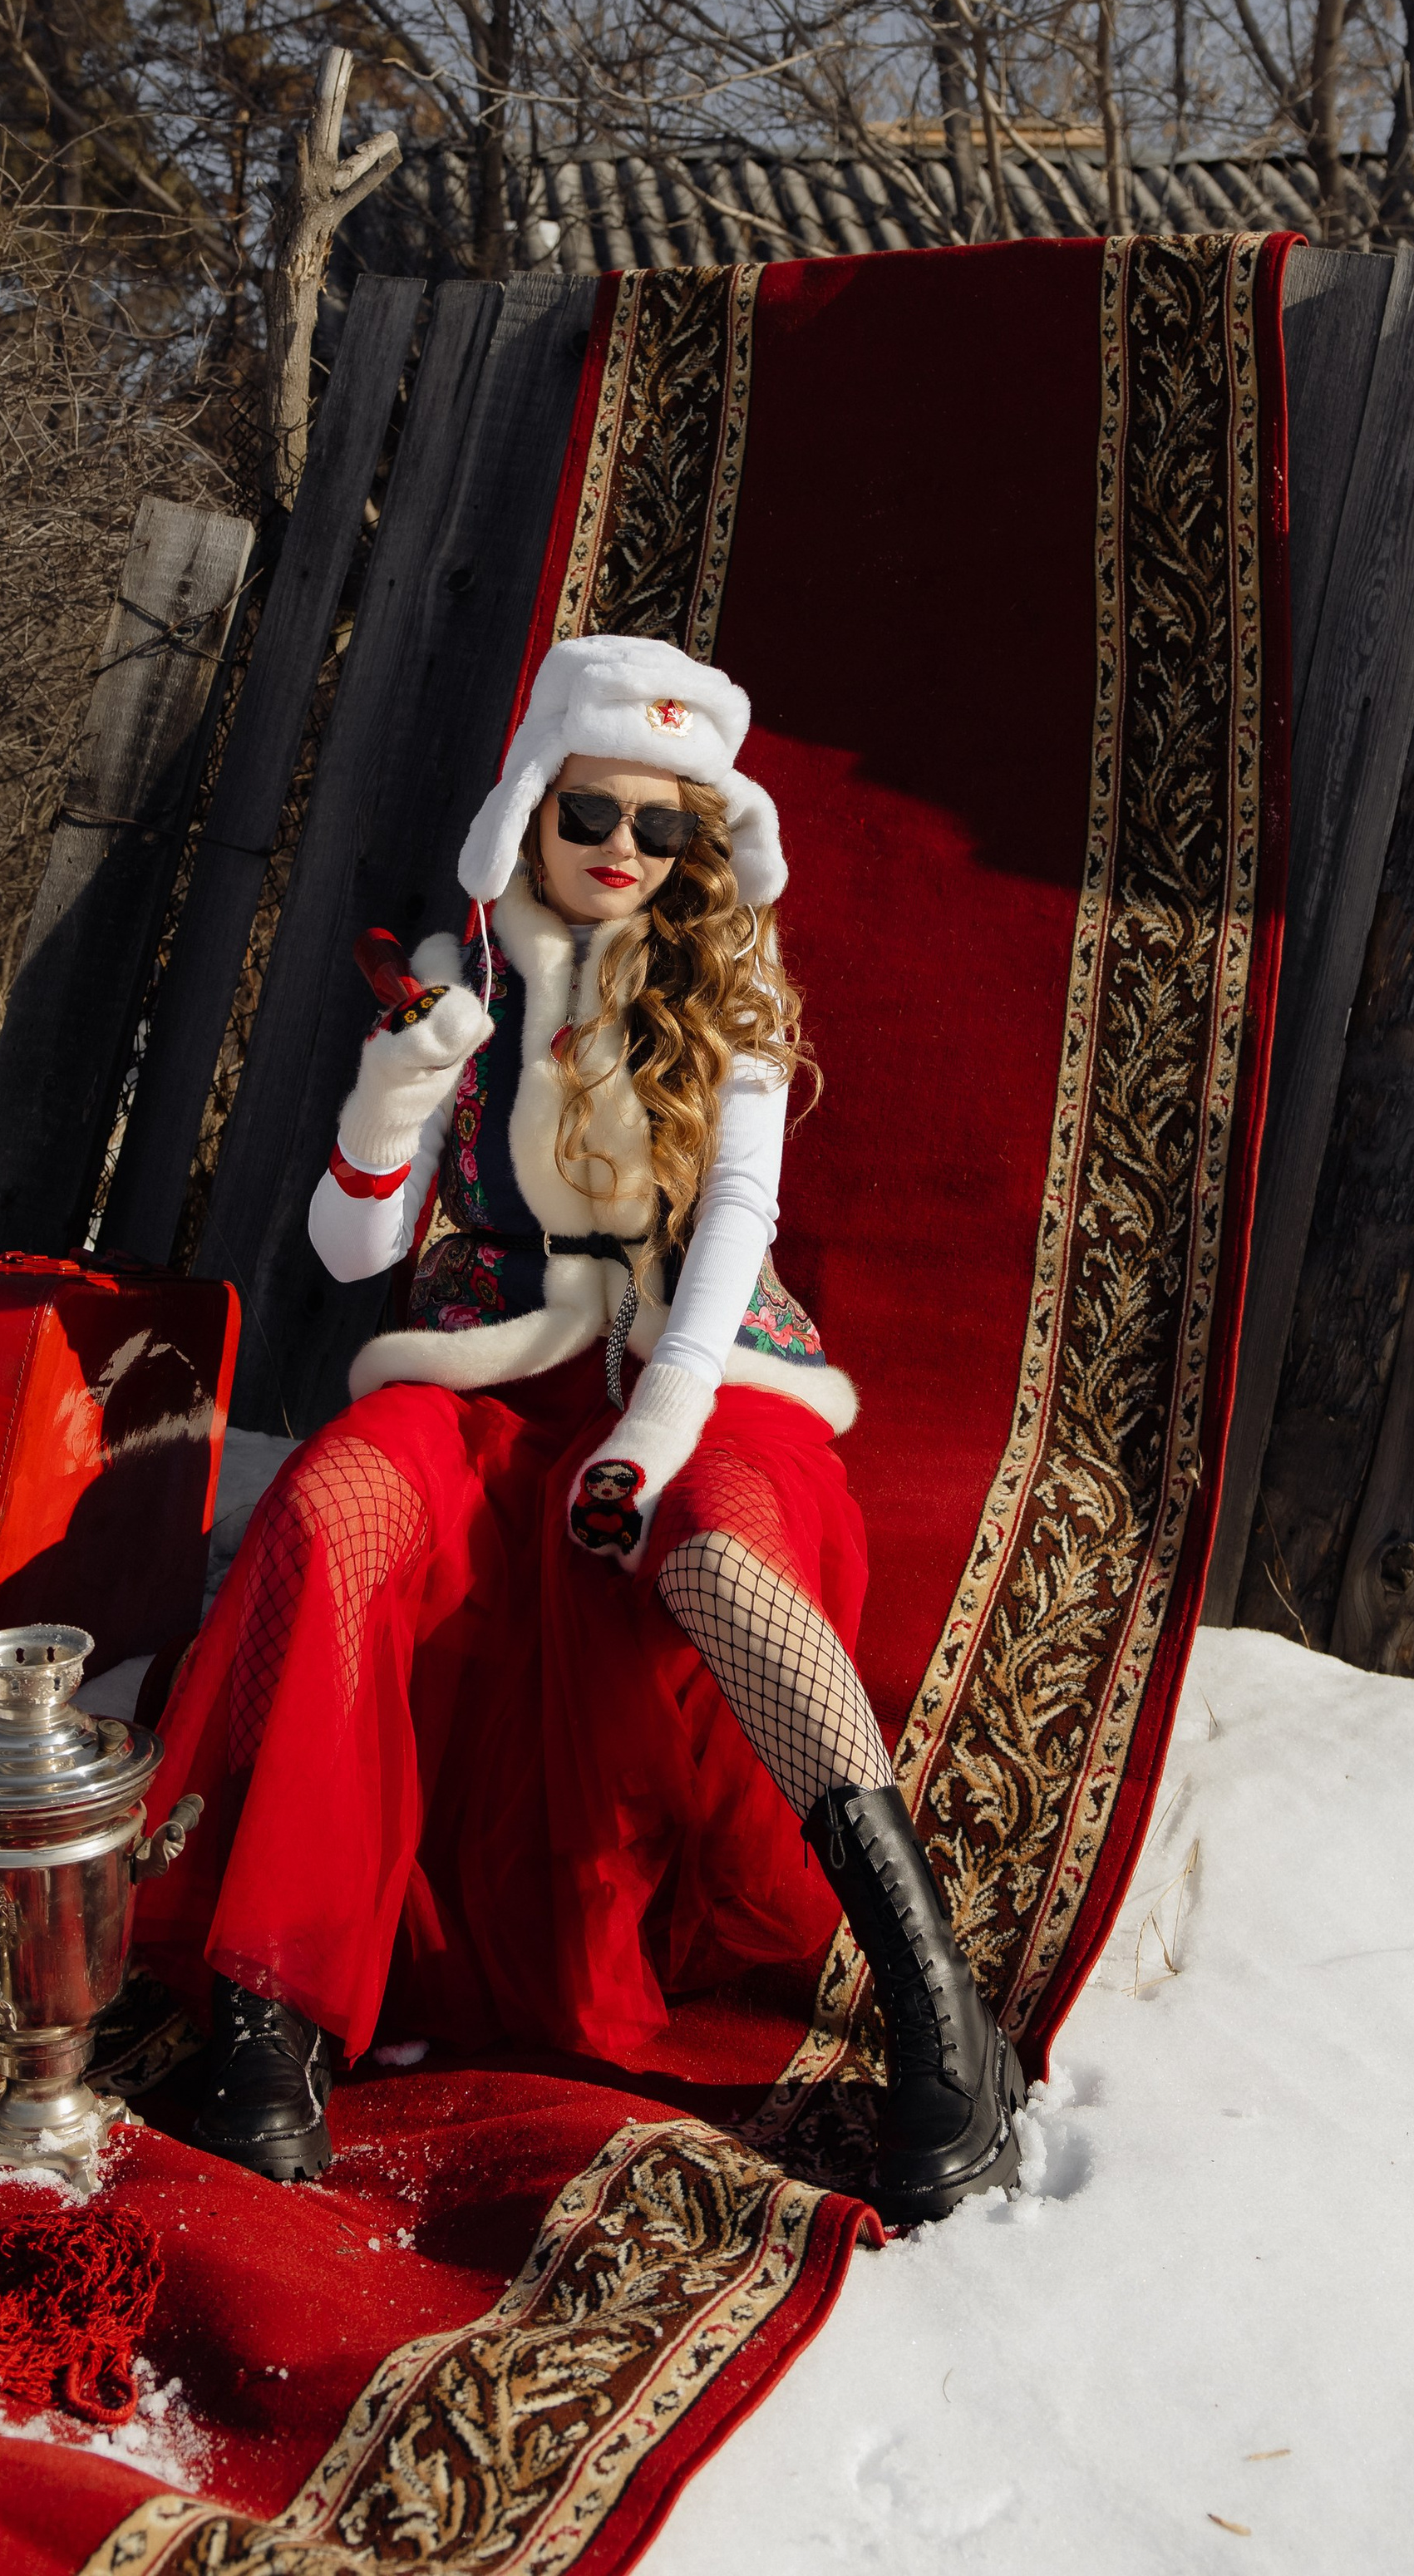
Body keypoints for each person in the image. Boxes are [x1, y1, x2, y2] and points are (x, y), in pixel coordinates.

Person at [150, 634, 1019, 2225]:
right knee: (338, 1506)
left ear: (702, 849)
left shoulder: (731, 1000)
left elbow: (738, 1230)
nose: (624, 849)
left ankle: (935, 2003)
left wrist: (652, 1438)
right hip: (487, 1371)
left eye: (665, 826)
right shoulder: (458, 976)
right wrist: (391, 1100)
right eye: (593, 813)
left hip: (703, 1372)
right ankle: (270, 2008)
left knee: (731, 1576)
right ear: (532, 811)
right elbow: (353, 1258)